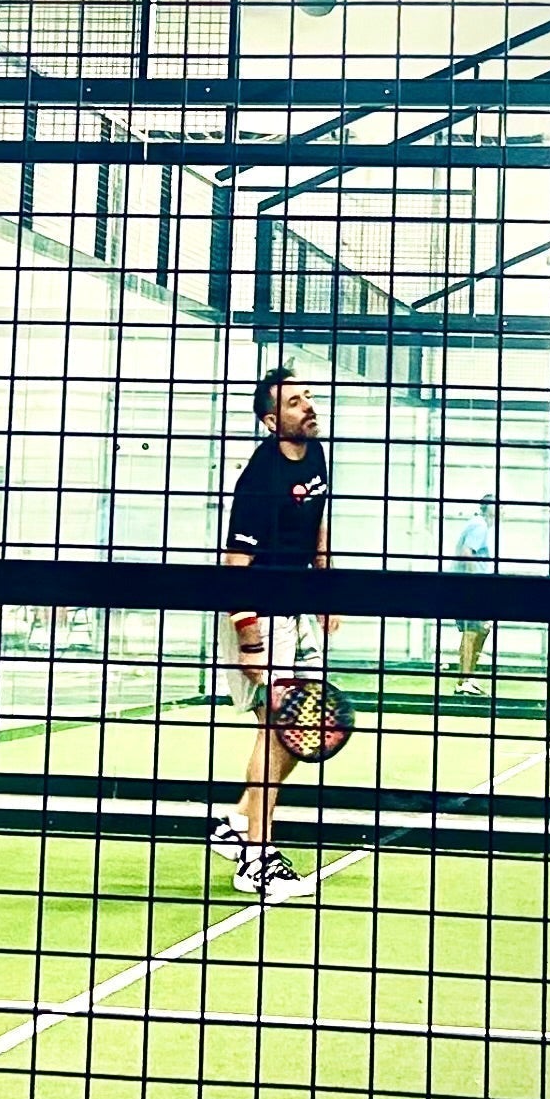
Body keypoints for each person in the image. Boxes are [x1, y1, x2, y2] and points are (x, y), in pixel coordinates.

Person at [208, 368, 333, 902]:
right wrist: (250, 640)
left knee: (299, 727)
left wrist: (326, 591)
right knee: (277, 725)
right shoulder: (260, 476)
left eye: (307, 397)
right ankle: (256, 861)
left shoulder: (317, 454)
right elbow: (237, 563)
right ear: (270, 421)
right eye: (294, 402)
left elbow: (318, 521)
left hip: (298, 608)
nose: (307, 407)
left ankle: (237, 822)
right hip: (256, 611)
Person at [449, 496, 497, 699]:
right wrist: (473, 586)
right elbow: (466, 553)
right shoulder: (480, 526)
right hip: (470, 588)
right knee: (472, 632)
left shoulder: (477, 525)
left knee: (480, 630)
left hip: (471, 587)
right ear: (490, 509)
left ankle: (468, 677)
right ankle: (464, 680)